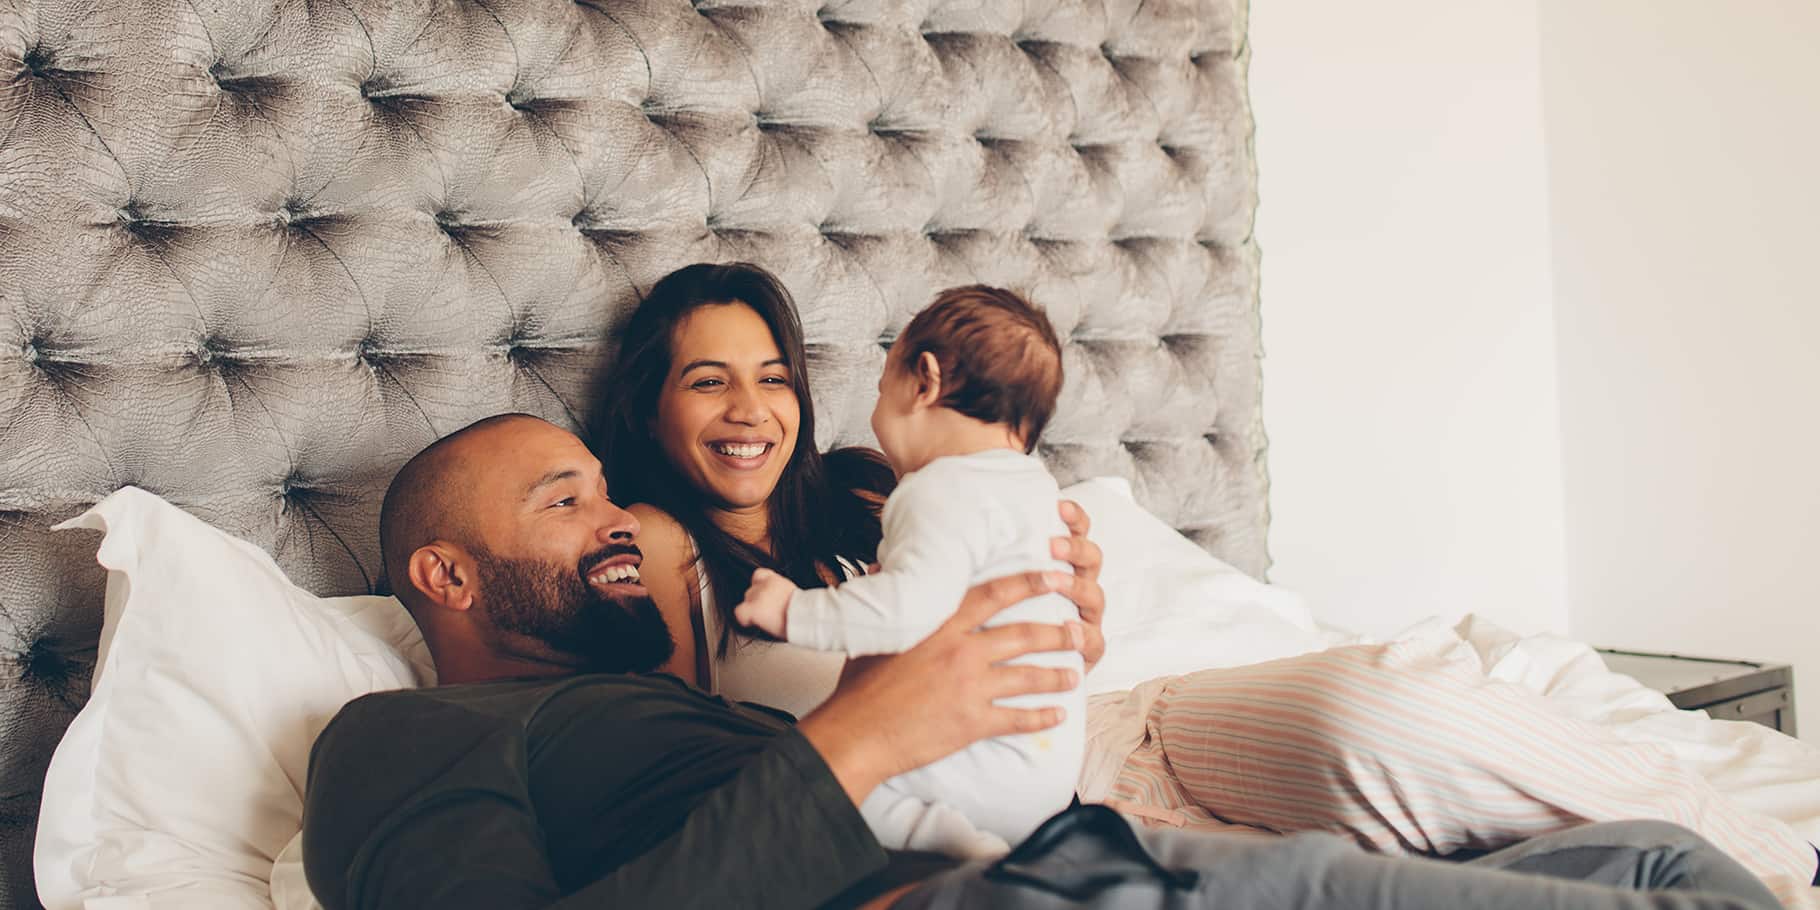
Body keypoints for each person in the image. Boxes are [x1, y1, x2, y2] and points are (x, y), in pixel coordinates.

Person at [594, 262, 1820, 904]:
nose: (751, 408)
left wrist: (1071, 616)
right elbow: (674, 759)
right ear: (652, 403)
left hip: (1133, 717)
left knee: (1389, 711)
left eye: (770, 374)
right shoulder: (660, 544)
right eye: (707, 380)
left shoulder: (880, 485)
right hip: (1024, 824)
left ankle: (1776, 865)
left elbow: (1045, 627)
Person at [301, 413, 1779, 909]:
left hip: (1062, 839)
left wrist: (1018, 629)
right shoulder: (390, 740)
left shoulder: (662, 704)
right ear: (443, 571)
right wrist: (863, 738)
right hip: (1026, 892)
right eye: (565, 501)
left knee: (1648, 854)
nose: (616, 516)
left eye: (610, 491)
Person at [734, 286, 1083, 859]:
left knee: (844, 796)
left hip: (981, 761)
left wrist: (794, 610)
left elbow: (901, 616)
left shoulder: (938, 487)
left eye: (880, 390)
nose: (875, 417)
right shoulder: (1037, 491)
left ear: (924, 382)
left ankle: (962, 853)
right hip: (1048, 766)